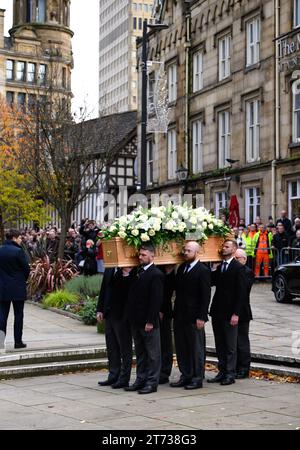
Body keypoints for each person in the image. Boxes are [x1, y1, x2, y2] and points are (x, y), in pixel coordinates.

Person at [125, 244, 165, 394]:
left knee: (153, 354)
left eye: (143, 255)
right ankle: (140, 379)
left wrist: (150, 321)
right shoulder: (137, 272)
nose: (140, 257)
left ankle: (152, 382)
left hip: (148, 322)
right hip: (136, 320)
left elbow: (156, 301)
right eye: (139, 255)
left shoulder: (156, 274)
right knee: (141, 353)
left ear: (152, 256)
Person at [171, 241, 211, 390]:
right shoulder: (182, 268)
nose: (185, 253)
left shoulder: (203, 270)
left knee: (196, 348)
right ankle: (185, 374)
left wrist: (201, 316)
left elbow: (205, 296)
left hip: (195, 316)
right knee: (182, 347)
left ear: (196, 252)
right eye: (184, 250)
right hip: (180, 314)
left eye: (188, 251)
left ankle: (197, 377)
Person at [208, 239, 247, 385]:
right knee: (220, 344)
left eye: (227, 247)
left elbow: (241, 293)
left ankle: (230, 374)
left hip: (230, 313)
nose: (223, 249)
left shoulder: (238, 268)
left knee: (230, 345)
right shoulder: (220, 267)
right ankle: (222, 371)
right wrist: (213, 269)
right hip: (218, 311)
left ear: (234, 249)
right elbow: (212, 282)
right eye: (223, 246)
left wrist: (236, 314)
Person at [97, 267, 133, 389]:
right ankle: (113, 375)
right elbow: (104, 289)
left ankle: (124, 378)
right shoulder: (110, 268)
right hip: (109, 313)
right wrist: (100, 309)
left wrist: (127, 274)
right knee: (111, 347)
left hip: (123, 315)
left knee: (124, 348)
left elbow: (130, 290)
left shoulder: (131, 269)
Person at [0, 229, 30, 349]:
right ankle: (18, 342)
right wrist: (22, 279)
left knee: (2, 315)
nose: (20, 240)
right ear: (14, 238)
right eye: (19, 238)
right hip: (17, 287)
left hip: (2, 287)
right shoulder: (18, 251)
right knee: (18, 315)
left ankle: (1, 342)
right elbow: (26, 269)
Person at [234, 249, 254, 379]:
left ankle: (244, 368)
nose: (235, 261)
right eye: (234, 258)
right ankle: (236, 366)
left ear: (244, 260)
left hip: (243, 312)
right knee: (234, 342)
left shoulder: (247, 272)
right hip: (233, 311)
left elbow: (243, 290)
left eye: (238, 259)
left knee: (242, 341)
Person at [158, 265, 175, 385]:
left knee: (165, 342)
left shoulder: (167, 270)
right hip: (151, 311)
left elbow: (167, 291)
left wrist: (162, 309)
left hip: (163, 311)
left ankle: (164, 372)